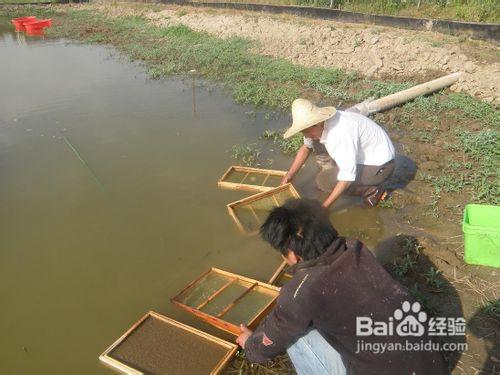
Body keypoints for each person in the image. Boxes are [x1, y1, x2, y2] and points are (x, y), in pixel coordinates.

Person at [236, 199, 448, 374]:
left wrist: (250, 344)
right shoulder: (355, 247)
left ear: (292, 253)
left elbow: (266, 346)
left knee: (298, 339)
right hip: (432, 366)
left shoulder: (301, 291)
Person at [280, 98, 396, 207]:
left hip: (381, 167)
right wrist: (290, 174)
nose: (305, 135)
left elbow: (346, 178)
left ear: (317, 123)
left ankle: (372, 191)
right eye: (302, 131)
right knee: (317, 147)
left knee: (323, 181)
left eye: (306, 131)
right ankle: (333, 174)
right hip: (367, 155)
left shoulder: (339, 133)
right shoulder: (320, 125)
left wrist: (323, 208)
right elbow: (306, 147)